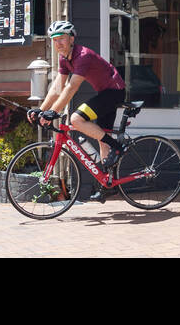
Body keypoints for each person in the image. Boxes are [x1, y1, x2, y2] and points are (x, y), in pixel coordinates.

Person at [28, 20, 127, 201]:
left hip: (114, 92)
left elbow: (71, 88)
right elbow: (58, 87)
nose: (58, 43)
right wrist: (40, 110)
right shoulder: (65, 58)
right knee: (101, 138)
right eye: (55, 40)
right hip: (104, 93)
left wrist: (53, 111)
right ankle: (108, 184)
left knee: (76, 119)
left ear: (71, 38)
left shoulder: (83, 56)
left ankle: (117, 147)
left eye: (62, 39)